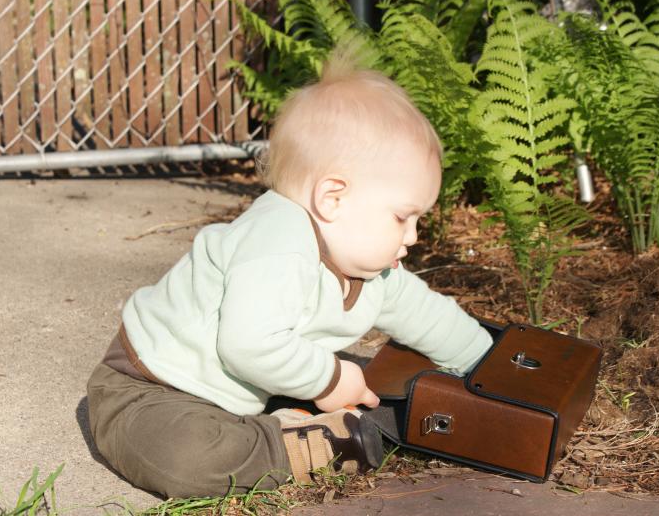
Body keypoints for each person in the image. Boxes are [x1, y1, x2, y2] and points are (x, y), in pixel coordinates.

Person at [86, 49, 493, 499]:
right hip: (149, 389)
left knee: (354, 384)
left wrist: (487, 365)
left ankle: (286, 425)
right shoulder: (278, 238)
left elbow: (426, 313)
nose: (413, 236)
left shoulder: (367, 268)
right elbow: (249, 345)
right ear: (332, 198)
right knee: (189, 459)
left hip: (231, 397)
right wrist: (330, 379)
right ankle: (294, 446)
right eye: (402, 217)